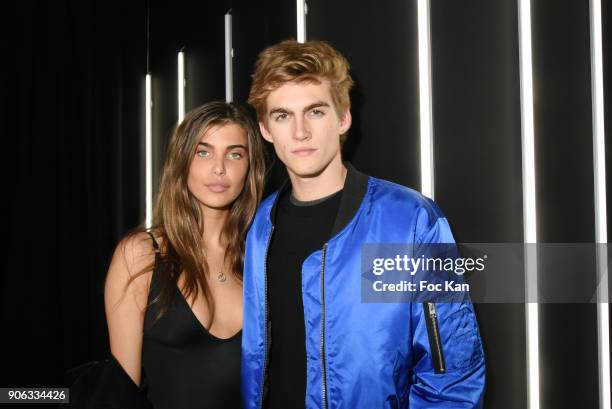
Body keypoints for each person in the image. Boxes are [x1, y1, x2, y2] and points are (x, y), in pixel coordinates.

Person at [241, 40, 485, 408]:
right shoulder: (260, 225)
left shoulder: (411, 221)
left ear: (344, 118)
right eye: (282, 115)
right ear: (265, 129)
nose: (300, 132)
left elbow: (452, 375)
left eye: (316, 112)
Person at [104, 101, 266, 409]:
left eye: (234, 154)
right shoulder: (141, 256)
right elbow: (122, 392)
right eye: (203, 152)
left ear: (250, 167)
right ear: (182, 162)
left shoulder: (262, 258)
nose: (219, 167)